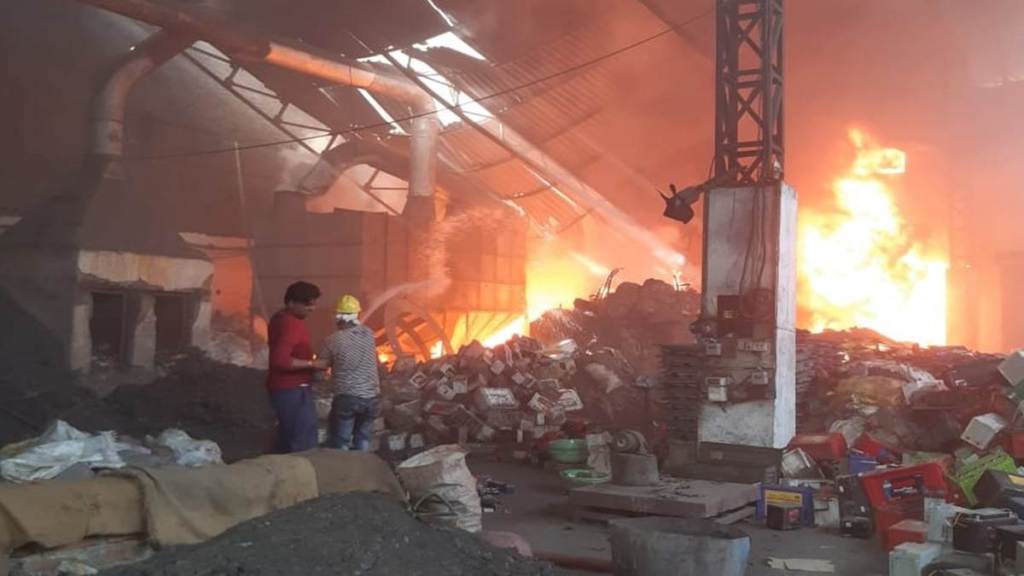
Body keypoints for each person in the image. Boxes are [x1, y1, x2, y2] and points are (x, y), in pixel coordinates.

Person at [266, 281, 327, 453]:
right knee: (302, 439)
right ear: (291, 303)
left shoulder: (280, 318)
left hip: (285, 389)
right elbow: (280, 360)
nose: (312, 308)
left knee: (287, 437)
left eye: (314, 304)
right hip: (292, 390)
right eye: (308, 304)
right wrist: (314, 364)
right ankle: (301, 468)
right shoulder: (290, 324)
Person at [319, 294, 381, 451]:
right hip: (372, 398)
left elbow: (321, 366)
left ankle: (343, 464)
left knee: (341, 439)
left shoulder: (332, 340)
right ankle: (363, 463)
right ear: (357, 315)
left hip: (347, 398)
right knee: (363, 437)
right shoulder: (369, 334)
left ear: (338, 317)